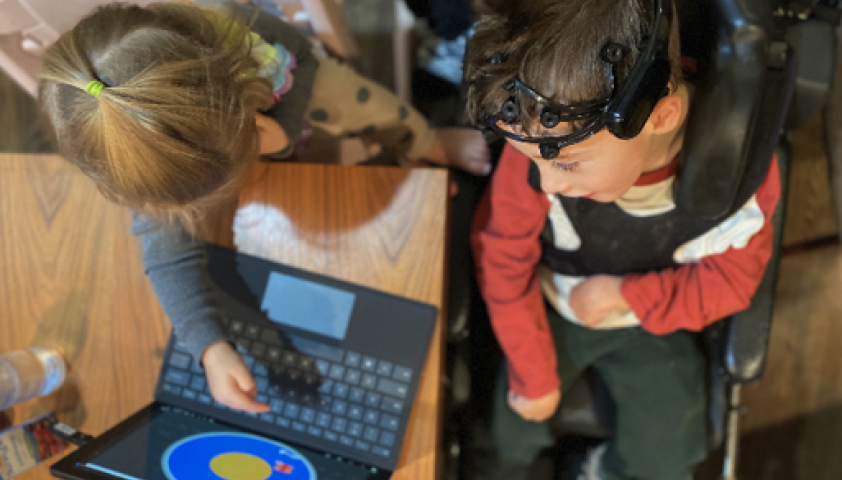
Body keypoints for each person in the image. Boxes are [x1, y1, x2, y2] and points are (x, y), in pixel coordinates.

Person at [38, 1, 490, 414]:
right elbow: (166, 250)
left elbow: (309, 62)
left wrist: (284, 133)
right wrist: (209, 346)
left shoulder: (244, 33)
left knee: (357, 102)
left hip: (288, 83)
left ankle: (429, 139)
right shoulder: (137, 154)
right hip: (231, 120)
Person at [462, 0, 781, 479]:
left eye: (565, 164)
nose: (546, 185)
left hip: (650, 319)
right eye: (534, 163)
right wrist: (534, 374)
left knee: (667, 451)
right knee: (504, 436)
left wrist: (625, 295)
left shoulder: (738, 180)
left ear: (660, 117)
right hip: (549, 311)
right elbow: (502, 254)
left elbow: (732, 283)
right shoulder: (543, 133)